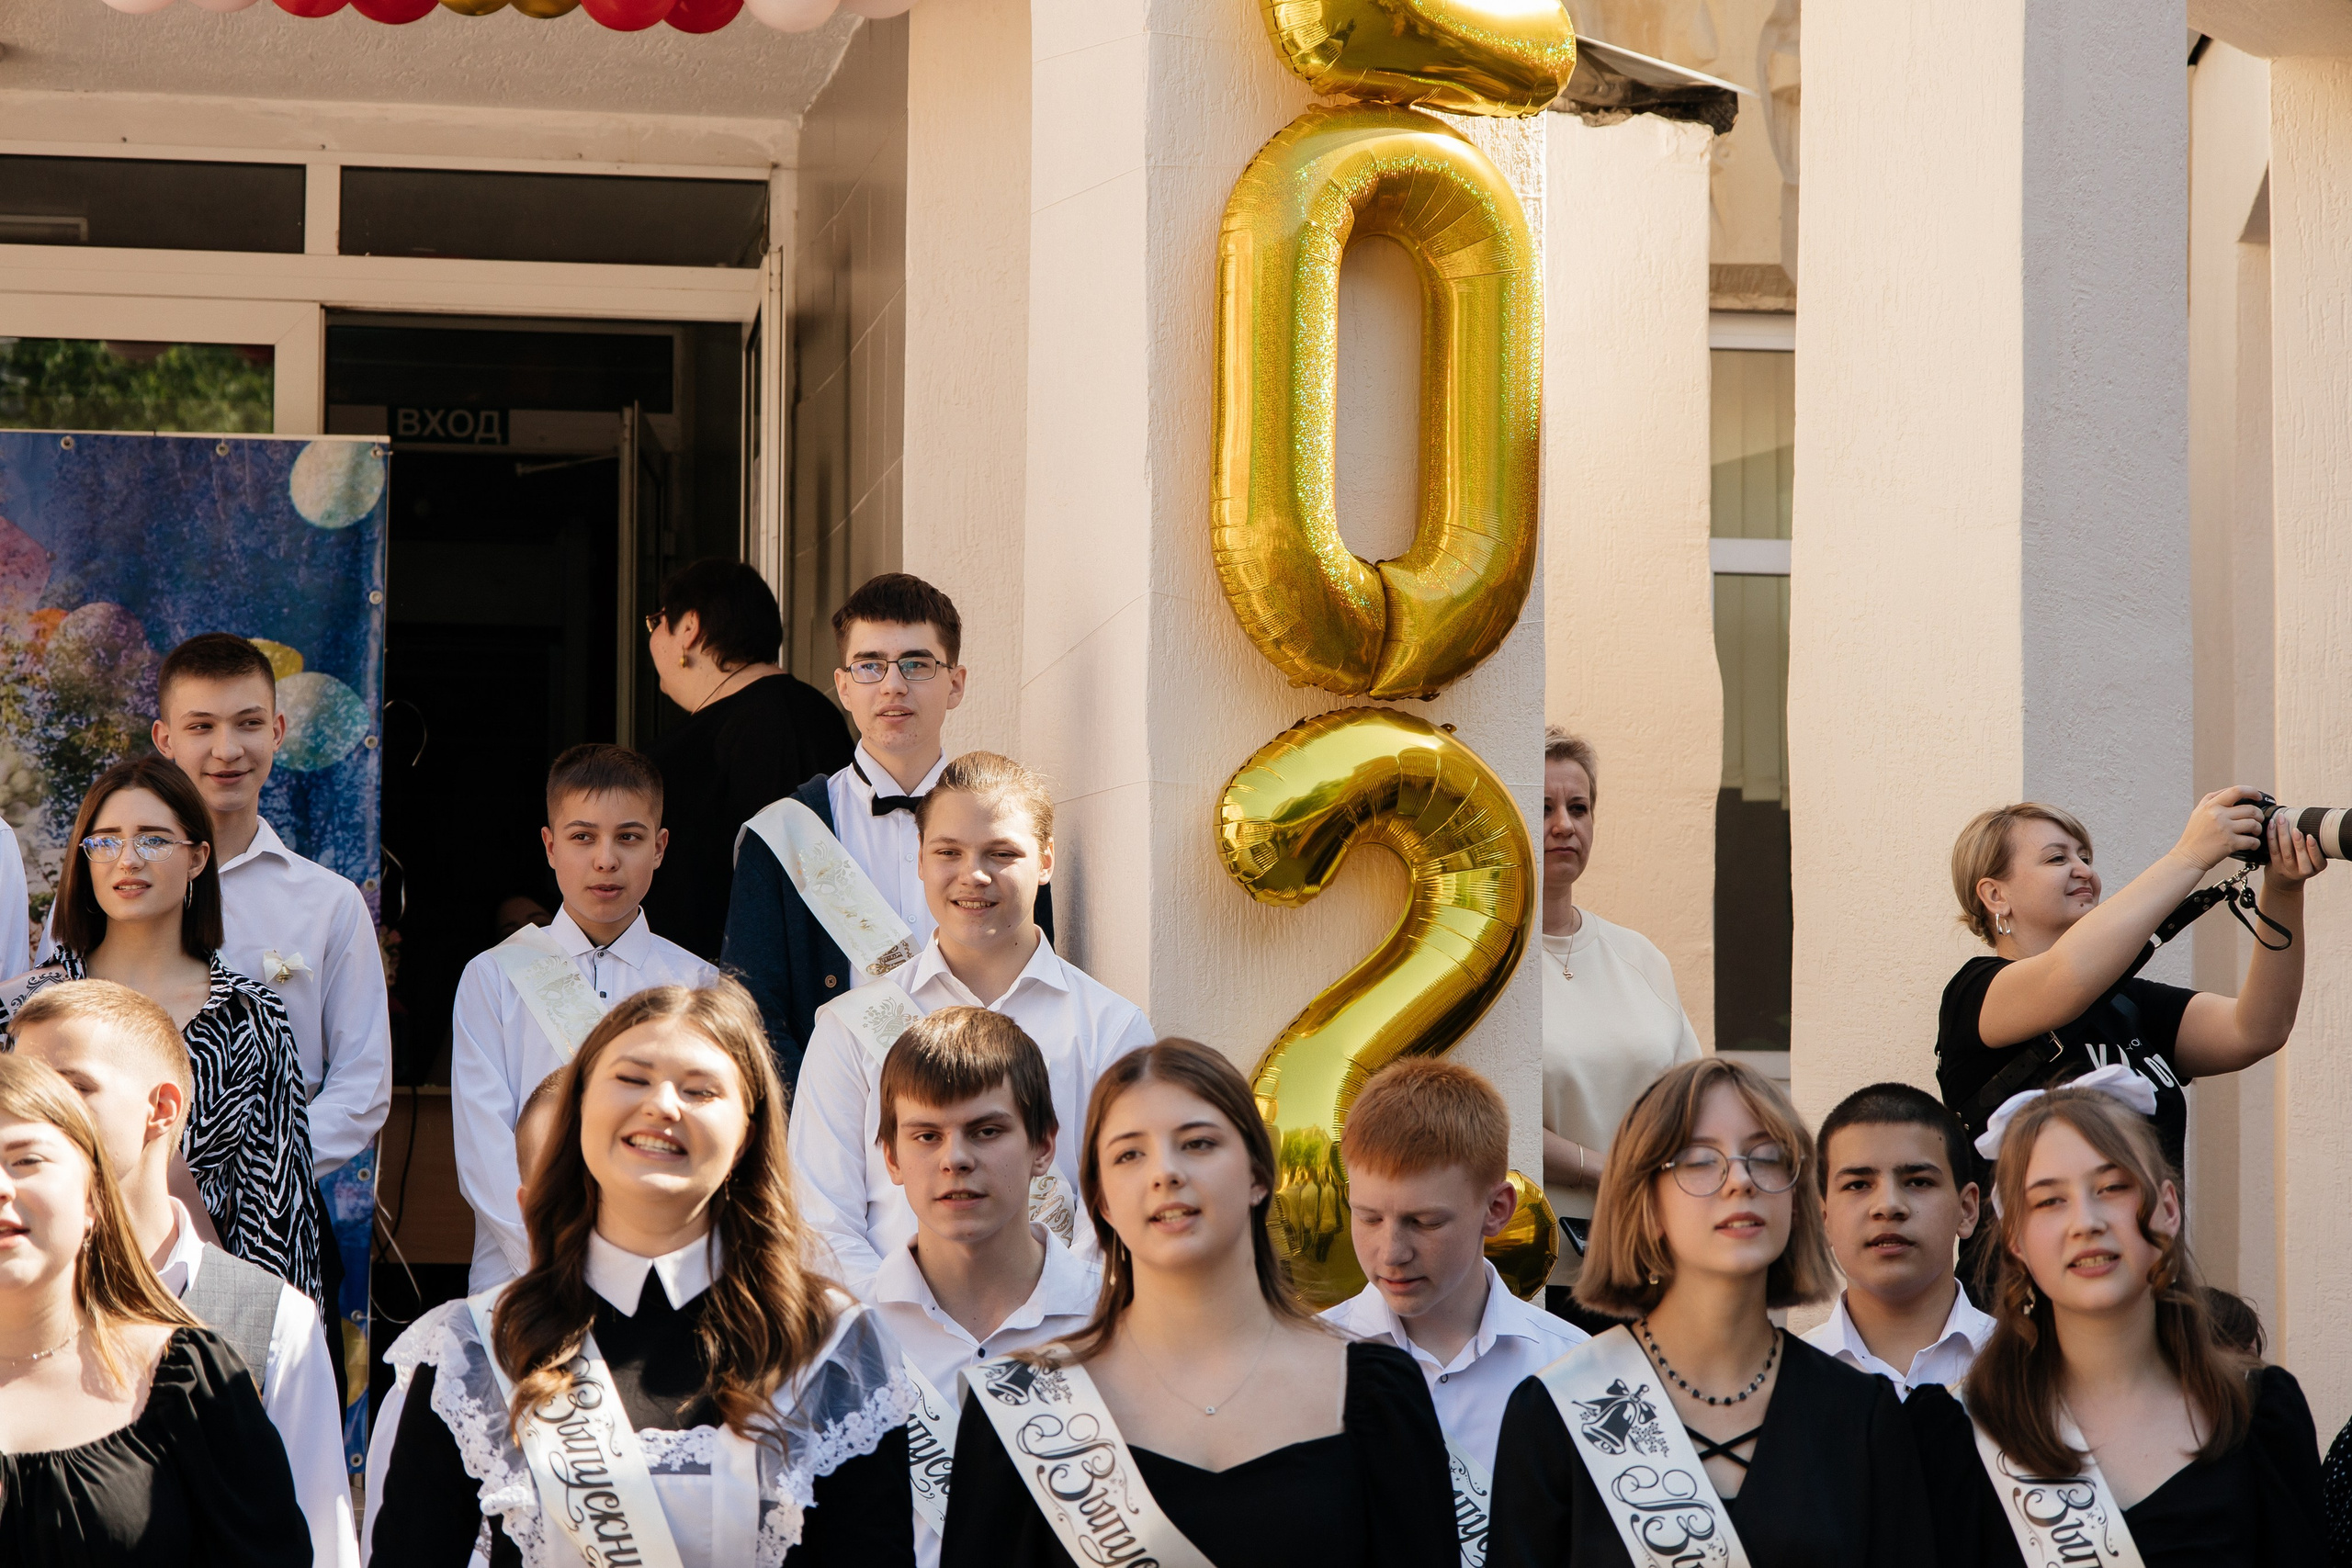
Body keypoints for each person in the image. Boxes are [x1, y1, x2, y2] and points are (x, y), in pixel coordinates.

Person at [367, 978, 917, 1566]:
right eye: (632, 1079)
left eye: (701, 1090)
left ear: (745, 1136)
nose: (663, 1106)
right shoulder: (477, 1349)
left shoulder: (829, 1347)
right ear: (579, 1111)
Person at [940, 1038, 1458, 1568]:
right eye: (1129, 1154)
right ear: (1102, 1201)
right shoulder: (1024, 1409)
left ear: (1258, 1174)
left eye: (1198, 1143)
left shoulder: (1379, 1393)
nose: (1165, 1173)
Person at [1487, 1055, 1939, 1567]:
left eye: (1767, 1157)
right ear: (1647, 1203)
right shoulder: (1556, 1409)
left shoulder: (1861, 1415)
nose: (1740, 1180)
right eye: (1701, 1159)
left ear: (1796, 1200)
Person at [10, 978, 357, 1568]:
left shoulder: (265, 1320)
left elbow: (320, 1544)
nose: (39, 1115)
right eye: (23, 1088)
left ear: (161, 1109)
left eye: (74, 1088)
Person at [1905, 1084, 2326, 1566]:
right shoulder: (1960, 1436)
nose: (2085, 1222)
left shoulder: (2258, 1417)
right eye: (2049, 1201)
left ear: (2169, 1209)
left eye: (2112, 1188)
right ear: (2015, 1239)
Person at [788, 751, 1152, 1294]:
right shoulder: (848, 1028)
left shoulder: (1110, 1028)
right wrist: (906, 1327)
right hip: (889, 1333)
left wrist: (1044, 1325)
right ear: (920, 860)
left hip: (1061, 1333)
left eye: (1001, 853)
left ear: (1045, 860)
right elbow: (819, 1222)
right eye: (948, 852)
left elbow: (1123, 1211)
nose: (973, 875)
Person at [3, 755, 319, 1307]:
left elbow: (278, 1211)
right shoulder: (22, 1009)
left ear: (198, 857)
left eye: (152, 839)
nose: (127, 859)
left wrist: (261, 1343)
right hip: (43, 1307)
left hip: (195, 1315)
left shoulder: (250, 1016)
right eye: (106, 841)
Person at [724, 573, 1051, 1080]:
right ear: (844, 686)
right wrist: (826, 1114)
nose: (893, 685)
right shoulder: (782, 834)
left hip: (987, 1107)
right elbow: (753, 1013)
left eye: (916, 664)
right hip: (834, 1114)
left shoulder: (1009, 827)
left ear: (955, 684)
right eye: (870, 665)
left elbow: (1037, 979)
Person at [1939, 793, 2324, 1178]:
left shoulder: (2127, 1003)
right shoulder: (1972, 993)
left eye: (2085, 858)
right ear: (1995, 895)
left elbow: (2257, 1030)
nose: (2083, 871)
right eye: (2057, 858)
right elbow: (2062, 978)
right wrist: (2190, 856)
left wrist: (2283, 890)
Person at [450, 744, 718, 1292]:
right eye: (583, 837)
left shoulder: (698, 984)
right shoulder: (493, 977)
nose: (605, 859)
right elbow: (484, 1150)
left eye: (629, 837)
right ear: (550, 846)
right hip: (520, 1275)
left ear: (660, 847)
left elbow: (706, 1138)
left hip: (660, 1277)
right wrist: (553, 1262)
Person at [149, 634, 391, 1201]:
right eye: (201, 726)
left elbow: (363, 1083)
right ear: (165, 739)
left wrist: (261, 1170)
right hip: (121, 1202)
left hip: (274, 1211)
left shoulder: (330, 902)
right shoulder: (106, 891)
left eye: (249, 724)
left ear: (278, 731)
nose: (227, 749)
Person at [1320, 1058, 1589, 1567]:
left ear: (1497, 1210)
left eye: (1424, 1222)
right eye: (1368, 1218)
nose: (1391, 1252)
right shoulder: (1303, 1363)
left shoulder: (1576, 1371)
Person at [869, 1007, 1100, 1568]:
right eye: (927, 1135)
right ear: (892, 1158)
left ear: (1043, 1145)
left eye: (987, 1131)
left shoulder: (1114, 1322)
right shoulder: (846, 1341)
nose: (956, 1159)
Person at [1537, 728, 1701, 1330]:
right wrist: (1605, 1168)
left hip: (1652, 1258)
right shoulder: (1489, 966)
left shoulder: (1639, 956)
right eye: (1543, 807)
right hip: (1543, 1272)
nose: (1564, 825)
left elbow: (1695, 1098)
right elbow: (1492, 1121)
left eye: (1578, 808)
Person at [642, 559, 854, 963]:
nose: (652, 640)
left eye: (657, 623)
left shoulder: (694, 750)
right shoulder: (819, 713)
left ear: (689, 628)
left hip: (721, 982)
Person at [1801, 1082, 1992, 1400]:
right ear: (1823, 1219)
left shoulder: (2030, 1370)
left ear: (1967, 1210)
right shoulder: (1782, 1384)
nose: (1888, 1206)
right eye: (1858, 1185)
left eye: (1918, 1182)